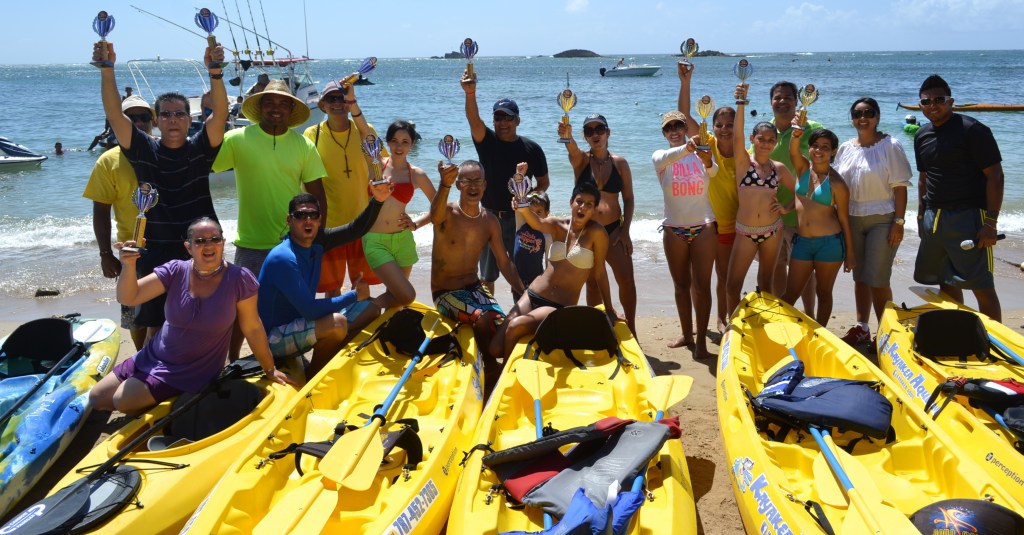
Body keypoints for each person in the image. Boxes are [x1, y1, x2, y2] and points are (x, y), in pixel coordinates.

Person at [94, 39, 229, 344]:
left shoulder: (200, 150)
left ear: (189, 119)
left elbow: (219, 114)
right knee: (155, 325)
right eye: (166, 114)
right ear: (157, 120)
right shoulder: (143, 149)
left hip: (199, 247)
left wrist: (216, 71)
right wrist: (107, 70)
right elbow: (116, 115)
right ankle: (155, 377)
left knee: (203, 318)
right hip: (154, 249)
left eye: (179, 114)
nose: (173, 120)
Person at [89, 218, 295, 416]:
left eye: (215, 239)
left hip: (191, 370)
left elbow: (252, 327)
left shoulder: (239, 279)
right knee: (97, 399)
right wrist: (128, 265)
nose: (208, 245)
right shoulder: (176, 270)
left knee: (122, 401)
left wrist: (269, 369)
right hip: (153, 355)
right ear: (188, 247)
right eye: (200, 240)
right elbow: (129, 297)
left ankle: (175, 401)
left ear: (223, 243)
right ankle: (154, 396)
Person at [258, 190, 393, 379]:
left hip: (300, 325)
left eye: (313, 215)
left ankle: (330, 361)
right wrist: (353, 295)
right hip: (273, 338)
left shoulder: (317, 241)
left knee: (370, 308)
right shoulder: (283, 258)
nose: (308, 220)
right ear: (289, 220)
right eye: (300, 215)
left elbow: (354, 229)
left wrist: (377, 200)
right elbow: (311, 311)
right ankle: (313, 376)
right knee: (337, 324)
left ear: (320, 220)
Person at [491, 183, 620, 361]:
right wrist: (521, 205)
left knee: (515, 326)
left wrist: (610, 309)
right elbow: (535, 221)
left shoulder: (597, 234)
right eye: (579, 202)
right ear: (571, 202)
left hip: (559, 306)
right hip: (533, 294)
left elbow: (600, 273)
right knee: (494, 348)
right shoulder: (557, 226)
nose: (582, 207)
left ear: (595, 209)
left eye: (589, 204)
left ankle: (504, 377)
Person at [914, 74, 1004, 320]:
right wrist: (922, 215)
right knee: (945, 282)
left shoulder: (972, 130)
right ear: (920, 105)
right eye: (926, 101)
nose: (933, 105)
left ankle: (994, 343)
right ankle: (957, 333)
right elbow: (924, 178)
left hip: (970, 217)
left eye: (939, 99)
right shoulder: (921, 135)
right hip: (935, 219)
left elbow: (995, 176)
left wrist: (990, 223)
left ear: (951, 101)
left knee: (981, 285)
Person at [431, 160, 525, 389]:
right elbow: (434, 217)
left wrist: (525, 293)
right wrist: (443, 184)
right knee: (481, 319)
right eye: (467, 181)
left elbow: (504, 261)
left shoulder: (489, 221)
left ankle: (509, 366)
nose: (473, 186)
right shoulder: (447, 213)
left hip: (474, 288)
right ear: (458, 184)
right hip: (445, 293)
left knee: (507, 326)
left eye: (478, 181)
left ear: (485, 185)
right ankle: (491, 369)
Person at [461, 70, 549, 297]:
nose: (503, 122)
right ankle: (491, 318)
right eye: (498, 118)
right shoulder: (487, 142)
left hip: (520, 219)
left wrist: (528, 201)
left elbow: (543, 183)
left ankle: (521, 315)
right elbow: (473, 120)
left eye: (508, 117)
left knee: (521, 273)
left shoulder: (532, 149)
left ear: (517, 120)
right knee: (487, 276)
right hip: (489, 217)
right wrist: (470, 93)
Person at [82, 95, 158, 350]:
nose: (138, 122)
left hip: (171, 246)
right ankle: (141, 361)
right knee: (136, 318)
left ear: (153, 121)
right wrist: (105, 253)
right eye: (130, 117)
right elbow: (101, 211)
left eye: (144, 117)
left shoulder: (166, 151)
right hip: (132, 251)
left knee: (172, 314)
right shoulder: (108, 161)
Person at [834, 98, 913, 344]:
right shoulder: (846, 148)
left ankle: (887, 333)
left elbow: (900, 187)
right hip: (852, 220)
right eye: (857, 114)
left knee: (878, 279)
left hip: (883, 220)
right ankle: (862, 327)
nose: (863, 118)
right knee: (860, 277)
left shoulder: (891, 145)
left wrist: (898, 223)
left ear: (877, 117)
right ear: (852, 118)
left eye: (869, 113)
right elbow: (835, 184)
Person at [557, 113, 638, 336]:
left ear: (608, 132)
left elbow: (629, 199)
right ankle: (597, 328)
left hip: (614, 231)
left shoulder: (620, 163)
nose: (595, 134)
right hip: (589, 233)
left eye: (599, 129)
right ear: (585, 136)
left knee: (627, 281)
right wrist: (567, 136)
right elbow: (571, 149)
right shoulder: (581, 160)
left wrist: (625, 231)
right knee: (593, 284)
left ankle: (631, 328)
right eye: (589, 131)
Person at [304, 81, 385, 296]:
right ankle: (337, 328)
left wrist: (354, 102)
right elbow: (304, 177)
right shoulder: (313, 134)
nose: (338, 103)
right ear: (323, 105)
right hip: (330, 224)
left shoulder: (365, 131)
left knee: (362, 285)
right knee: (331, 289)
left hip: (362, 220)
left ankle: (361, 326)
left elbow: (381, 160)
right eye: (332, 99)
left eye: (342, 98)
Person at [726, 84, 797, 317]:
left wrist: (787, 208)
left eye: (770, 139)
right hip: (745, 231)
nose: (765, 143)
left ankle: (765, 320)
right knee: (732, 284)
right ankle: (733, 325)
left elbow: (802, 191)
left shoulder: (779, 168)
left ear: (775, 142)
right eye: (761, 138)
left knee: (766, 281)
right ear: (752, 139)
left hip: (773, 230)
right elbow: (736, 136)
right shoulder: (743, 164)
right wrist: (741, 102)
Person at [678, 63, 738, 333]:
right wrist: (686, 81)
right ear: (712, 126)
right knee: (698, 279)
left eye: (730, 125)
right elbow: (684, 115)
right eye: (720, 124)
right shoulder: (707, 143)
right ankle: (700, 324)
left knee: (724, 276)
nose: (724, 129)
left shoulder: (745, 152)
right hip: (705, 225)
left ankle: (722, 318)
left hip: (732, 227)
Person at [653, 111, 718, 358]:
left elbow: (714, 172)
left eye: (678, 126)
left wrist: (708, 158)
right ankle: (686, 335)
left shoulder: (701, 155)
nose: (674, 131)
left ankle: (701, 339)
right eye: (668, 128)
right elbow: (668, 156)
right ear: (664, 133)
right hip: (674, 229)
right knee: (681, 286)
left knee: (702, 287)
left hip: (704, 227)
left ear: (685, 127)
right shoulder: (661, 157)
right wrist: (689, 147)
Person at [783, 125, 855, 327]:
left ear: (833, 151)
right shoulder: (803, 168)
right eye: (815, 145)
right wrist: (796, 131)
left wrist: (850, 253)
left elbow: (844, 220)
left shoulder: (837, 183)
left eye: (825, 146)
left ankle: (819, 334)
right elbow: (793, 150)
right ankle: (781, 331)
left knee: (823, 292)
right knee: (790, 293)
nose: (819, 150)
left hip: (830, 244)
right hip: (802, 243)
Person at [361, 120, 437, 309]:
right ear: (387, 143)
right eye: (394, 141)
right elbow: (363, 130)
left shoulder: (416, 174)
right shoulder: (376, 166)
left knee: (396, 297)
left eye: (405, 141)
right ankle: (359, 313)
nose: (399, 146)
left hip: (403, 240)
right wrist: (352, 103)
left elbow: (439, 206)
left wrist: (416, 224)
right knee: (406, 295)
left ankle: (386, 330)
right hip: (375, 241)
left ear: (412, 144)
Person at [768, 81, 822, 316]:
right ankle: (784, 314)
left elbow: (824, 168)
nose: (782, 101)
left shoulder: (812, 128)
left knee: (804, 271)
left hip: (803, 216)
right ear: (771, 102)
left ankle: (809, 314)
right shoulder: (766, 131)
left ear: (797, 100)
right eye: (778, 97)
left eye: (788, 97)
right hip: (773, 215)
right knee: (777, 267)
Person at [513, 189, 550, 301]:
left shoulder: (547, 235)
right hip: (517, 280)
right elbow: (518, 198)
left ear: (547, 213)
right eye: (531, 212)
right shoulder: (521, 223)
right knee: (518, 309)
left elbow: (549, 264)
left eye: (539, 212)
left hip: (535, 282)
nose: (534, 215)